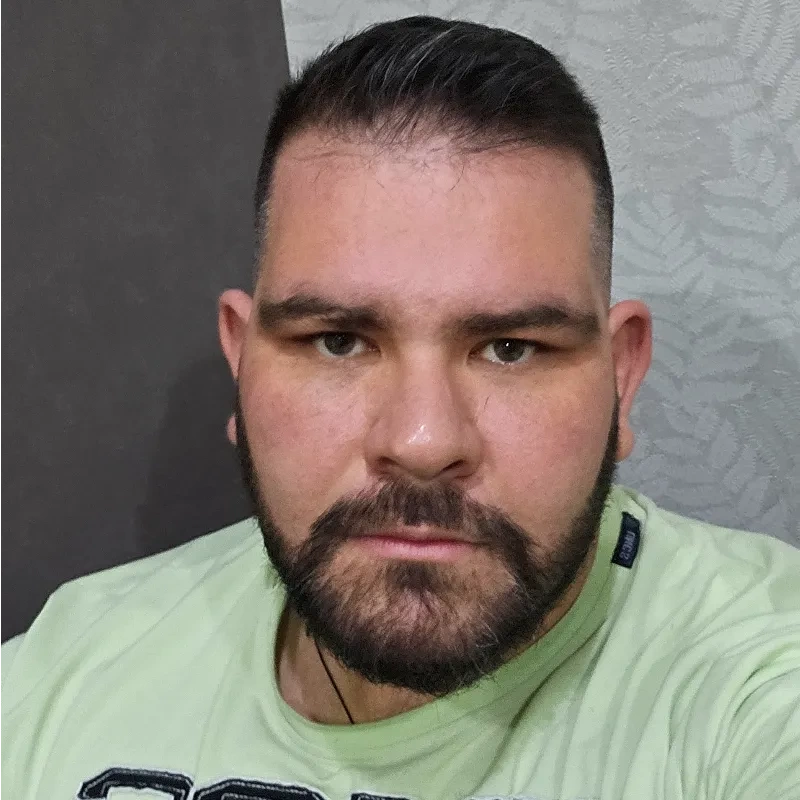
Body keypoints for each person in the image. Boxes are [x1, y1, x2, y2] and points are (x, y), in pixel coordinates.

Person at [1, 14, 798, 800]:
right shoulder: (60, 670)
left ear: (621, 377)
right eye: (339, 341)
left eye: (510, 347)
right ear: (241, 363)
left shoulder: (756, 674)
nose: (421, 441)